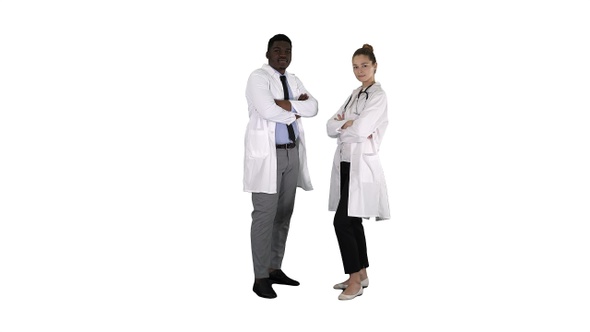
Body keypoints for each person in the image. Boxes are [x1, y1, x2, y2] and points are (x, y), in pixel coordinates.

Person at [243, 34, 318, 299]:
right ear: (268, 54)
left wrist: (289, 106)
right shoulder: (258, 78)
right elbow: (267, 110)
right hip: (267, 156)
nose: (282, 54)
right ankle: (260, 276)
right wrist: (296, 109)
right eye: (277, 50)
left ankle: (275, 268)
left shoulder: (293, 79)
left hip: (291, 154)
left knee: (284, 213)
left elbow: (314, 107)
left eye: (287, 50)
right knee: (264, 216)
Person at [326, 44, 390, 301]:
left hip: (362, 165)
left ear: (375, 66)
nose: (360, 70)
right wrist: (345, 124)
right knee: (351, 221)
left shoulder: (378, 96)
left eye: (364, 65)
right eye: (355, 66)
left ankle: (354, 279)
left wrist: (348, 124)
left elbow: (362, 129)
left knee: (341, 222)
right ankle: (361, 273)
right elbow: (330, 126)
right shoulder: (354, 95)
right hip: (345, 163)